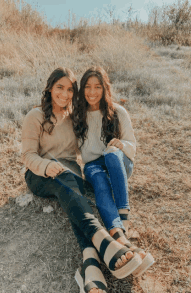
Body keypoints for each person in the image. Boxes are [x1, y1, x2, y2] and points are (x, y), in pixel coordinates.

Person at [21, 67, 142, 293]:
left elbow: (92, 139)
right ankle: (105, 243)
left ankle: (90, 263)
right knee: (68, 182)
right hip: (39, 174)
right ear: (49, 89)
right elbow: (27, 155)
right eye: (60, 88)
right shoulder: (35, 116)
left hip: (70, 170)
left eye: (69, 89)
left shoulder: (74, 116)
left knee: (77, 198)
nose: (65, 94)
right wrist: (47, 166)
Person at [72, 66, 155, 278]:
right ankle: (118, 235)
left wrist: (121, 145)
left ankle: (123, 220)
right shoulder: (77, 117)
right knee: (98, 179)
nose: (92, 92)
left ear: (104, 88)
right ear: (82, 90)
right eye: (88, 87)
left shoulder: (118, 111)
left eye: (97, 86)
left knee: (110, 152)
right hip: (93, 166)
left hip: (118, 162)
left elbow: (132, 147)